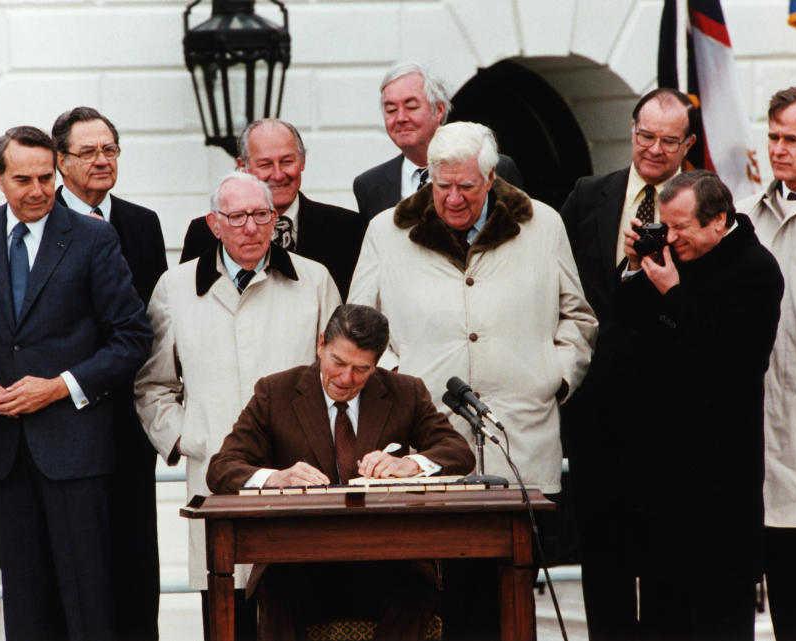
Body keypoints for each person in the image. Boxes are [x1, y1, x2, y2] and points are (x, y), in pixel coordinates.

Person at [348, 121, 596, 640]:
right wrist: (400, 388)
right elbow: (360, 329)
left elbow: (578, 318)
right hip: (421, 444)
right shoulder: (385, 232)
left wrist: (553, 377)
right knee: (432, 591)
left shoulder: (542, 225)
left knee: (508, 594)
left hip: (517, 436)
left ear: (491, 179)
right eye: (442, 186)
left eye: (466, 186)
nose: (453, 198)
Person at [0, 126, 153, 641]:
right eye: (22, 180)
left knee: (87, 603)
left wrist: (60, 386)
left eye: (45, 178)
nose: (37, 191)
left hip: (76, 450)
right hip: (5, 451)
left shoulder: (94, 237)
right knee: (25, 607)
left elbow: (131, 337)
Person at [134, 171, 341, 636]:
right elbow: (153, 384)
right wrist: (189, 437)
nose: (251, 227)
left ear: (275, 219)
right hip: (217, 474)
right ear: (214, 223)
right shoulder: (176, 286)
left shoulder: (314, 280)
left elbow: (339, 375)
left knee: (302, 609)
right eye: (238, 216)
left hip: (301, 473)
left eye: (262, 215)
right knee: (229, 613)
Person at [206, 304, 475, 641]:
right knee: (277, 591)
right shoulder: (275, 392)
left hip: (387, 560)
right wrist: (276, 478)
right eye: (338, 363)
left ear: (377, 364)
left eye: (361, 369)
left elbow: (458, 452)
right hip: (299, 561)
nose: (347, 379)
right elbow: (221, 468)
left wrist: (410, 465)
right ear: (321, 345)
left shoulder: (406, 391)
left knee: (418, 591)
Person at [619, 170, 783, 641]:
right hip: (661, 475)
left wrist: (674, 292)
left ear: (718, 221)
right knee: (661, 615)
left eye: (680, 228)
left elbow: (735, 359)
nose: (669, 239)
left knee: (718, 617)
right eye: (663, 227)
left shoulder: (756, 268)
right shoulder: (675, 256)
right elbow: (629, 322)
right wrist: (634, 268)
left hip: (719, 479)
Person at [558, 87, 696, 640]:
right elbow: (559, 281)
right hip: (596, 410)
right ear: (631, 129)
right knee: (603, 557)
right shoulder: (590, 194)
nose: (654, 150)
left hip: (670, 410)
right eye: (645, 136)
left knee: (666, 560)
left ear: (687, 144)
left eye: (668, 141)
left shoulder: (703, 200)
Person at [52, 106, 167, 641]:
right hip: (60, 422)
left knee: (136, 564)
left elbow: (157, 321)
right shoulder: (38, 221)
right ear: (60, 162)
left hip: (128, 421)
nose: (101, 161)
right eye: (88, 152)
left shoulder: (142, 224)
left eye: (110, 150)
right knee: (72, 570)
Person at [736, 86, 796, 641]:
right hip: (776, 445)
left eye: (791, 138)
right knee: (795, 606)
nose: (777, 149)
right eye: (771, 137)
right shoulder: (747, 217)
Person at [180, 118, 366, 299]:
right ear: (242, 167)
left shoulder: (348, 229)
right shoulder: (206, 233)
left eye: (286, 161)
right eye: (265, 164)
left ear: (302, 161)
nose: (278, 175)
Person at [352, 62, 523, 220]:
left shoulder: (495, 168)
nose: (400, 118)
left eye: (411, 107)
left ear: (439, 110)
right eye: (391, 110)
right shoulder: (370, 186)